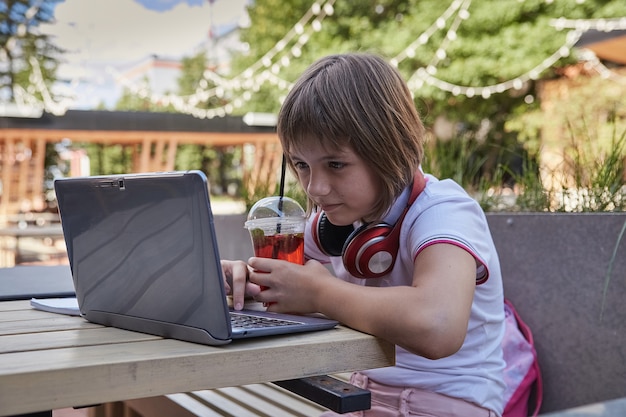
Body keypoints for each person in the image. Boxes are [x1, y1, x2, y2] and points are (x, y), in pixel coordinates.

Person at [221, 52, 505, 417]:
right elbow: (287, 286)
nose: (316, 188)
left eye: (335, 164)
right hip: (359, 396)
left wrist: (320, 292)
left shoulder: (443, 211)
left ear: (390, 149)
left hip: (445, 404)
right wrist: (247, 282)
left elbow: (439, 325)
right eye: (302, 165)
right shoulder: (336, 219)